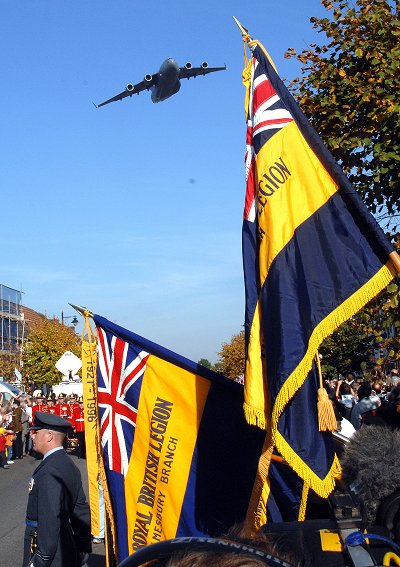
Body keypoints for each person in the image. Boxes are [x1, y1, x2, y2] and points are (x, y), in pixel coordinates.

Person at [23, 412, 92, 567]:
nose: (32, 436)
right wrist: (83, 546)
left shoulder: (50, 470)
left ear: (49, 436)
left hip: (48, 547)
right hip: (66, 543)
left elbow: (49, 518)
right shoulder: (67, 464)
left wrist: (42, 559)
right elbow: (80, 510)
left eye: (36, 432)